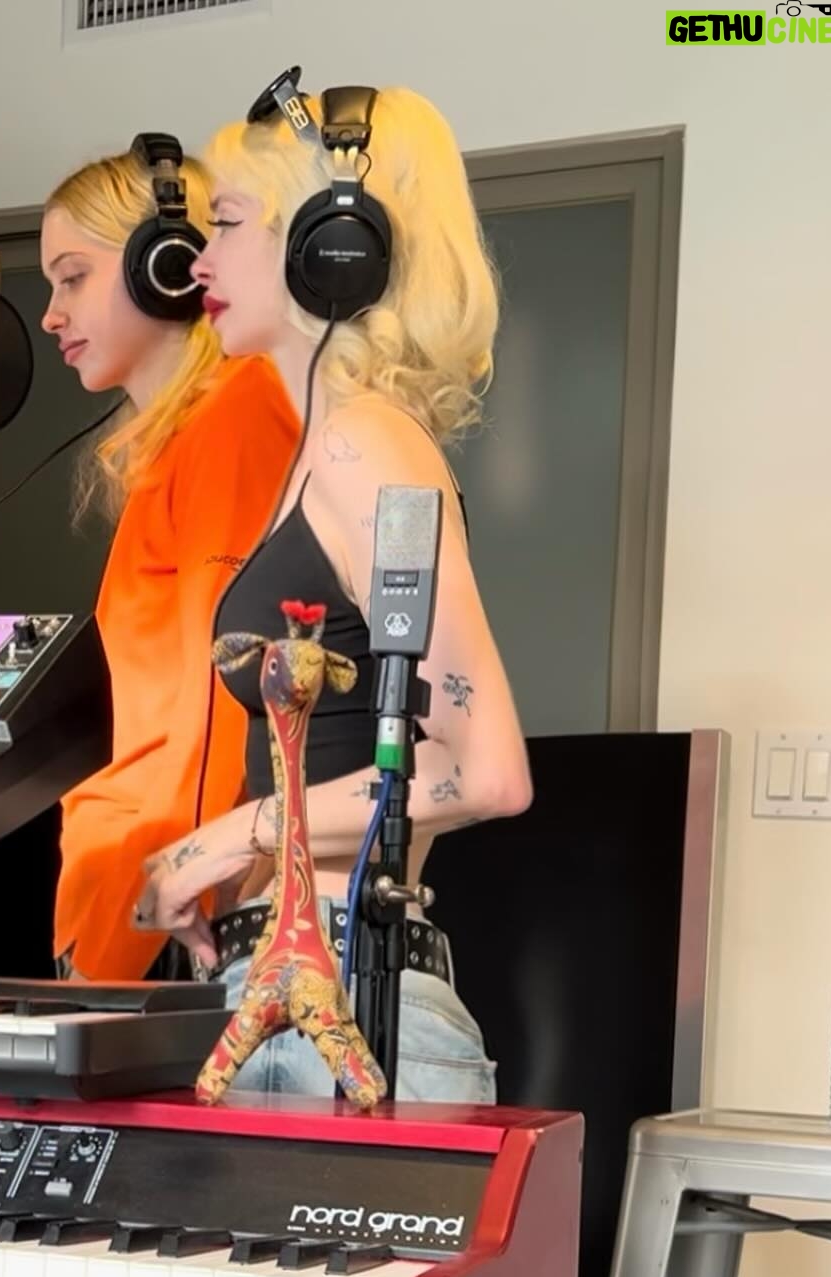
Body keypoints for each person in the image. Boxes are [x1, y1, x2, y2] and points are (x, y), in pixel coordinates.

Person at [132, 75, 533, 1102]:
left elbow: (485, 771)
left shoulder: (365, 449)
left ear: (331, 248)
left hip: (346, 1005)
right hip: (284, 998)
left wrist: (222, 840)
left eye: (229, 223)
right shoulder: (335, 448)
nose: (200, 261)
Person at [41, 133, 300, 984]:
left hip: (166, 917)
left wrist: (136, 939)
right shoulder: (189, 443)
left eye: (72, 277)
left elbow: (222, 701)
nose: (51, 315)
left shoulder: (238, 417)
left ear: (167, 266)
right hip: (135, 895)